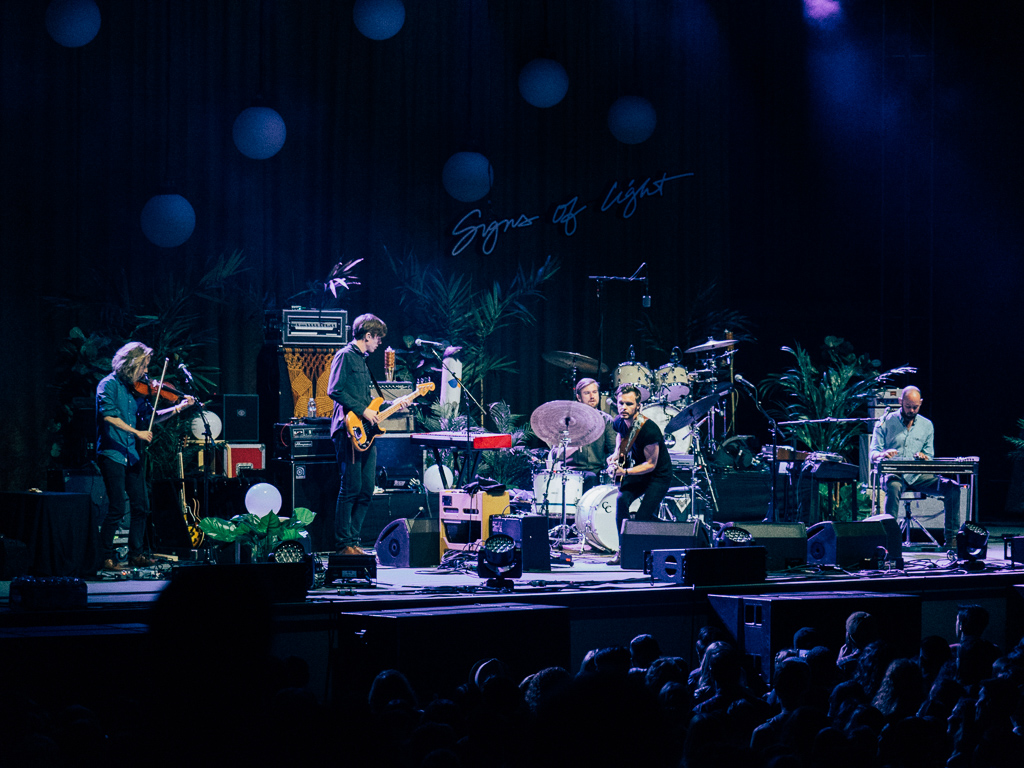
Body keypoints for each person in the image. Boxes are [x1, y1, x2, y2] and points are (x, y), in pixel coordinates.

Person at [96, 341, 195, 571]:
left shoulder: (137, 391)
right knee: (117, 507)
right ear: (131, 364)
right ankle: (105, 556)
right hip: (112, 453)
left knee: (141, 506)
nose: (147, 372)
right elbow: (108, 416)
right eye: (144, 366)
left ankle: (136, 554)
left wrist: (178, 408)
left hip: (132, 454)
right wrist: (137, 432)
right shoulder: (107, 385)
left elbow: (152, 417)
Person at [328, 313, 395, 555]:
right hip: (347, 430)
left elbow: (368, 401)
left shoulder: (363, 360)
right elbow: (334, 390)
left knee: (367, 489)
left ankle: (354, 541)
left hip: (365, 433)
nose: (379, 343)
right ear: (367, 336)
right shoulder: (344, 356)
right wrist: (363, 410)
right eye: (378, 338)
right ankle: (343, 544)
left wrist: (394, 405)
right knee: (351, 488)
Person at [869, 385, 960, 548]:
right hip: (895, 474)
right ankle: (890, 541)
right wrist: (882, 454)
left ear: (921, 403)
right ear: (900, 402)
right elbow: (873, 453)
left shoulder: (927, 425)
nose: (911, 410)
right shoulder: (885, 422)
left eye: (915, 407)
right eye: (908, 406)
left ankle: (952, 540)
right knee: (894, 487)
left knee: (952, 487)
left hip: (918, 476)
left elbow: (929, 456)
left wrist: (924, 457)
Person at [606, 383, 673, 566]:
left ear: (638, 406)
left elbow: (651, 465)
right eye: (621, 403)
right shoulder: (619, 421)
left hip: (658, 475)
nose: (623, 407)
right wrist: (614, 457)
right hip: (639, 472)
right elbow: (621, 440)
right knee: (622, 500)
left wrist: (625, 471)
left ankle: (662, 537)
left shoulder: (649, 429)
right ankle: (623, 550)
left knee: (643, 518)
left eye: (628, 404)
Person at [548, 377, 617, 491]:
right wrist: (575, 445)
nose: (592, 396)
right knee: (589, 478)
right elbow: (556, 454)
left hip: (597, 472)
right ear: (579, 397)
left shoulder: (606, 420)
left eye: (594, 392)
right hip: (572, 473)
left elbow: (613, 450)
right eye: (587, 393)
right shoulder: (567, 420)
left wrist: (613, 464)